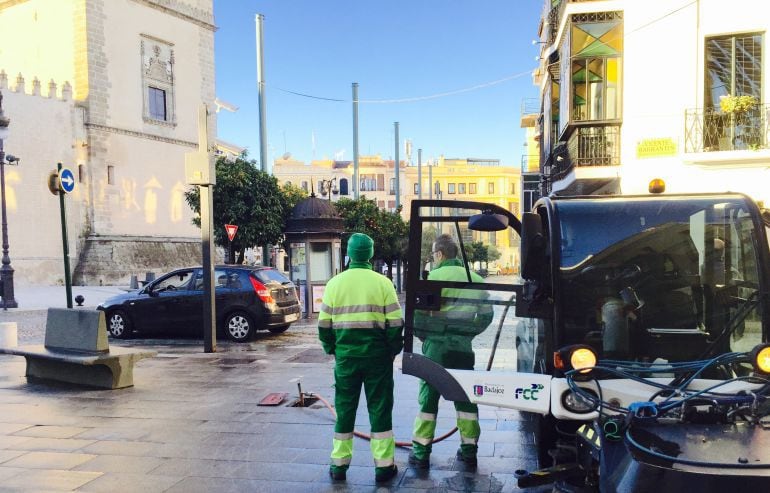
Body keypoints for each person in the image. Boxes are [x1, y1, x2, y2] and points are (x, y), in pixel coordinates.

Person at [318, 233, 404, 483]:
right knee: (380, 410)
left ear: (350, 253)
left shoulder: (335, 284)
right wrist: (392, 350)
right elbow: (396, 325)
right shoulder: (383, 283)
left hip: (346, 359)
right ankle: (384, 467)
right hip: (377, 358)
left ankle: (339, 465)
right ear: (370, 253)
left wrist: (332, 348)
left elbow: (324, 326)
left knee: (344, 410)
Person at [409, 233, 494, 470]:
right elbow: (487, 315)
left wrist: (426, 336)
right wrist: (467, 333)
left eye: (433, 255)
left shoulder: (432, 278)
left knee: (428, 400)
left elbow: (418, 316)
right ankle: (469, 451)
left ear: (439, 254)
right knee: (465, 399)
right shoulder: (477, 279)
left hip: (436, 349)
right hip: (463, 350)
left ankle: (421, 452)